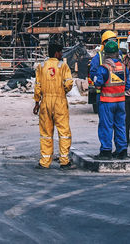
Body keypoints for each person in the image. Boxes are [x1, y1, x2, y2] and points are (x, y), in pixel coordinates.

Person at [33, 42, 76, 170]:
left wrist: (37, 102)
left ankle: (45, 161)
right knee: (63, 132)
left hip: (45, 101)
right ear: (57, 53)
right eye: (61, 52)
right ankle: (64, 161)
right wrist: (62, 92)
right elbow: (69, 83)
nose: (62, 54)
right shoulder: (62, 66)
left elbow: (37, 86)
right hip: (59, 101)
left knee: (46, 132)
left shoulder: (41, 66)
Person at [93, 40, 130, 160]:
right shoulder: (123, 67)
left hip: (107, 102)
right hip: (121, 102)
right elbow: (127, 86)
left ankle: (106, 151)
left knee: (106, 126)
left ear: (106, 54)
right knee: (120, 126)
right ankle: (122, 151)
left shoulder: (104, 68)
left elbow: (98, 85)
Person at [89, 30, 118, 112]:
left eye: (115, 41)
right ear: (104, 43)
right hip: (103, 94)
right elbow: (93, 73)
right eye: (111, 41)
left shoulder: (119, 55)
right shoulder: (98, 58)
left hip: (117, 94)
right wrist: (98, 83)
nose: (113, 44)